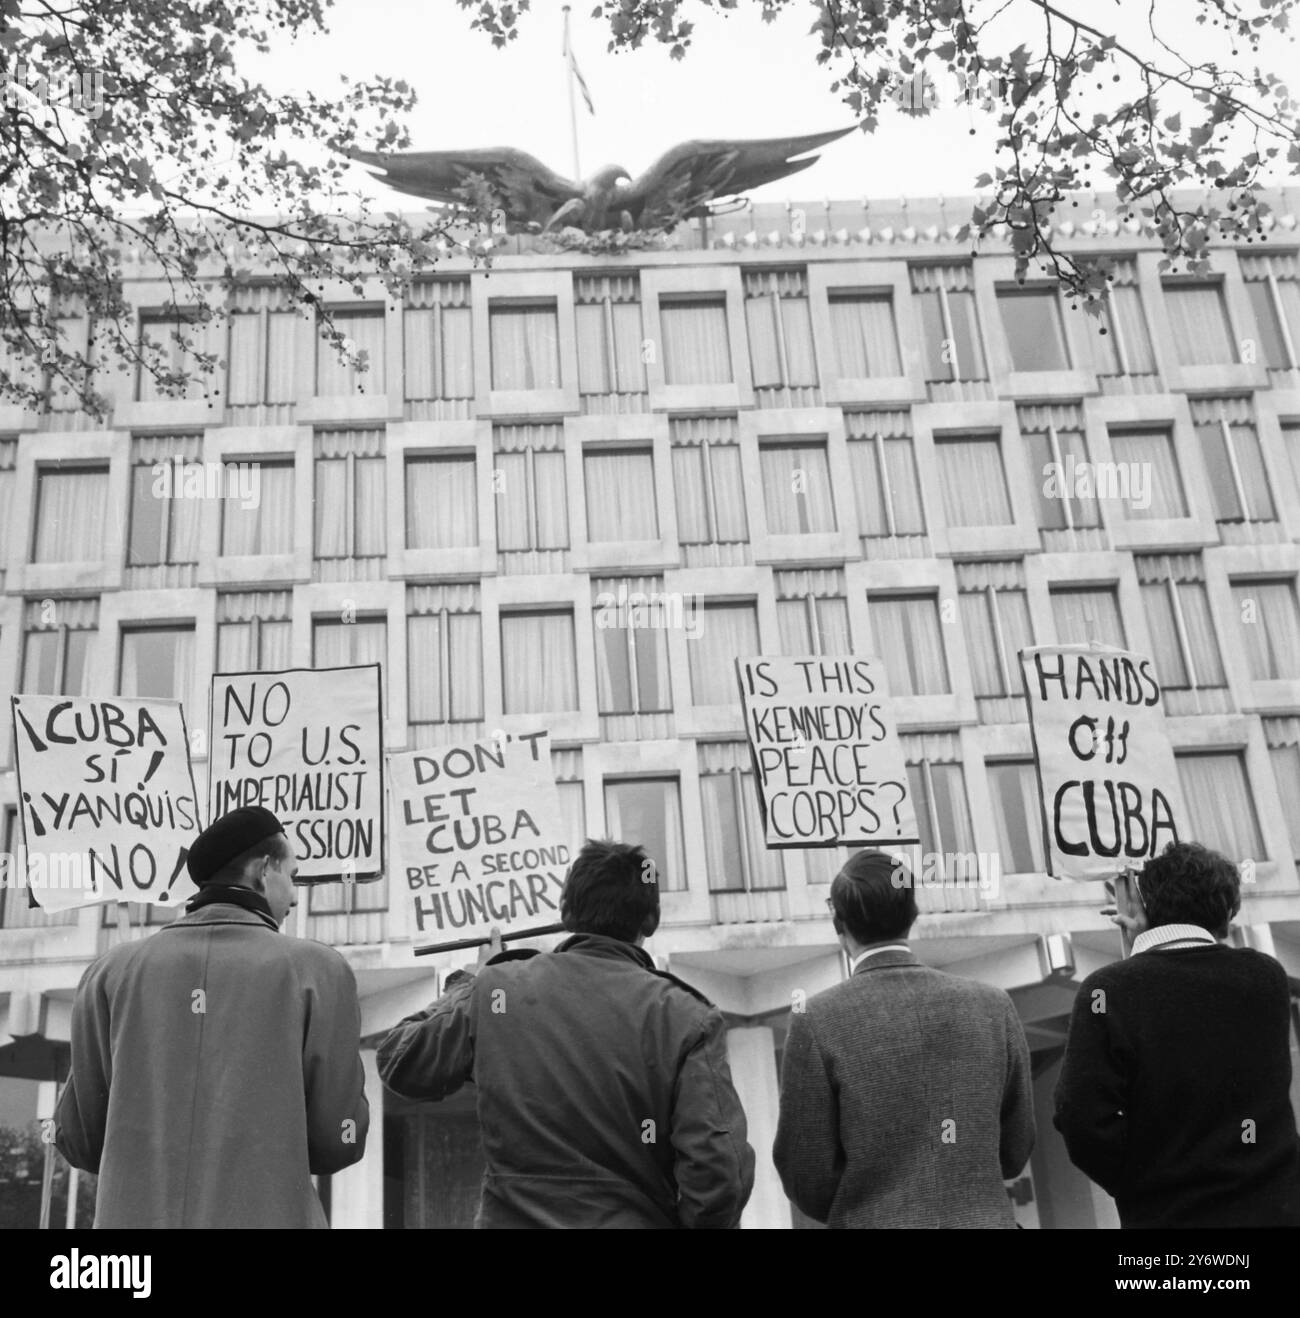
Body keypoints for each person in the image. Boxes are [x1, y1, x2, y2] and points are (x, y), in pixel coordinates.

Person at [378, 838, 756, 1228]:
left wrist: (473, 981)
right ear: (650, 920)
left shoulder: (498, 991)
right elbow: (718, 1172)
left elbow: (401, 1060)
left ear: (567, 911)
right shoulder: (687, 1016)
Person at [55, 806, 370, 1228]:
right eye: (292, 876)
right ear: (263, 870)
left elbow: (79, 1140)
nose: (295, 895)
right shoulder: (318, 971)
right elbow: (339, 1139)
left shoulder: (109, 973)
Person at [773, 849, 1035, 1228]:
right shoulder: (994, 1005)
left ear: (838, 923)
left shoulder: (815, 1021)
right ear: (913, 914)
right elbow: (1015, 1147)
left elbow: (807, 1175)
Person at [1054, 840, 1300, 1227]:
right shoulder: (1266, 977)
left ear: (1148, 907)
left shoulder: (1108, 990)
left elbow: (1080, 1117)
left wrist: (1133, 1182)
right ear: (1227, 912)